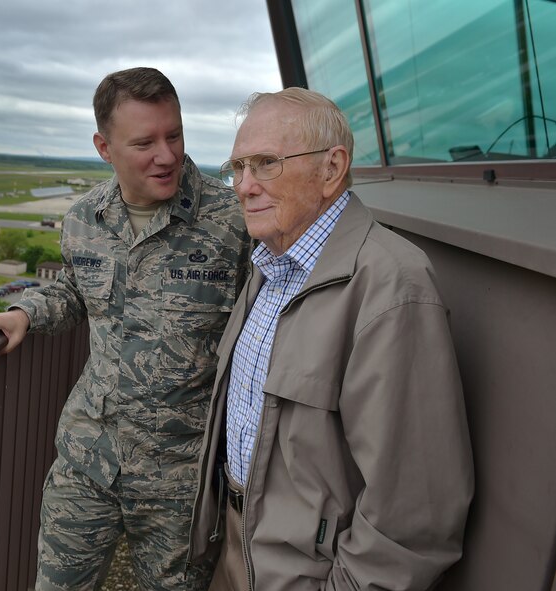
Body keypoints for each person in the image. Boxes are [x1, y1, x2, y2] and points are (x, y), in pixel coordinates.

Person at [0, 67, 251, 590]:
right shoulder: (83, 219)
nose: (166, 155)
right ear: (104, 147)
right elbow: (74, 292)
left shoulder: (233, 221)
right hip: (87, 461)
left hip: (180, 480)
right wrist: (25, 312)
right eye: (144, 142)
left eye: (174, 135)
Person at [188, 88, 474, 591]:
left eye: (265, 164)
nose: (243, 186)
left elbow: (413, 515)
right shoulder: (270, 265)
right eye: (237, 167)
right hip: (235, 548)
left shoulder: (390, 286)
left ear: (331, 168)